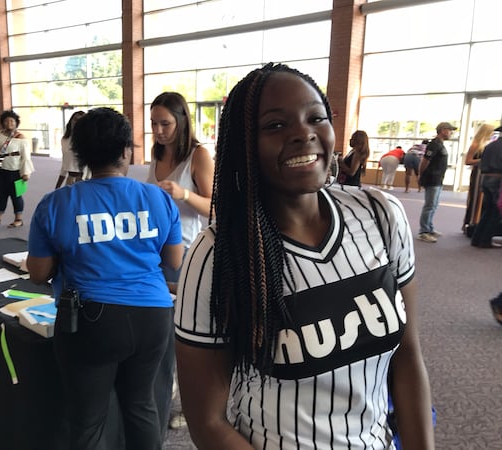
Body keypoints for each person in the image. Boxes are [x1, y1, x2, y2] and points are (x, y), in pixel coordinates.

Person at [174, 63, 435, 450]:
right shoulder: (217, 255)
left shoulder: (381, 215)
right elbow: (208, 422)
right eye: (276, 125)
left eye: (316, 117)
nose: (303, 133)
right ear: (244, 143)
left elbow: (408, 357)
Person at [26, 107, 184, 450]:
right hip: (153, 316)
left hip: (91, 320)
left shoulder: (55, 204)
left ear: (79, 154)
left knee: (89, 418)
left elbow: (37, 273)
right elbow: (173, 261)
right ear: (127, 150)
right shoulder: (157, 197)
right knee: (141, 406)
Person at [146, 91, 214, 433]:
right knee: (161, 331)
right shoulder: (156, 155)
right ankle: (163, 396)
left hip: (186, 253)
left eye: (166, 123)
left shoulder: (198, 155)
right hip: (155, 253)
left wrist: (184, 194)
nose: (158, 130)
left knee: (186, 338)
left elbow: (217, 209)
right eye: (154, 123)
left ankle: (192, 406)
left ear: (182, 120)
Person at [0, 110, 34, 229]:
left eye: (12, 121)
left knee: (16, 195)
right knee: (0, 195)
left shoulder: (21, 138)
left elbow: (26, 156)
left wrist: (26, 172)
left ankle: (18, 219)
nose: (9, 123)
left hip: (14, 170)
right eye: (6, 121)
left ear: (16, 123)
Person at [417, 121, 456, 243]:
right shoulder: (434, 144)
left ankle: (429, 228)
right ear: (443, 130)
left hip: (438, 179)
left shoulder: (440, 144)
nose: (451, 133)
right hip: (432, 179)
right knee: (429, 205)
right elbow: (425, 161)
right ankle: (423, 231)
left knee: (434, 205)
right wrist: (420, 174)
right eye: (450, 130)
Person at [471, 126, 502, 249]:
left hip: (485, 179)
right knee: (495, 212)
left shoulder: (490, 146)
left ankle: (476, 238)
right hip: (497, 180)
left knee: (487, 210)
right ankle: (485, 240)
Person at [462, 123, 495, 235]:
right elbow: (468, 161)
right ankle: (470, 223)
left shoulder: (486, 145)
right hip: (477, 174)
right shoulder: (475, 145)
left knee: (482, 201)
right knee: (475, 199)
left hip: (484, 173)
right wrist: (483, 160)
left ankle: (477, 224)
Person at [55, 110, 85, 189]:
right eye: (75, 119)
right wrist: (57, 186)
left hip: (84, 179)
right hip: (70, 179)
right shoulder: (65, 140)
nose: (76, 122)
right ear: (71, 121)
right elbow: (65, 163)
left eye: (80, 120)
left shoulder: (87, 140)